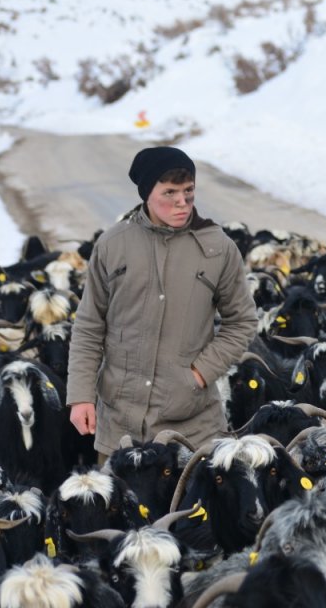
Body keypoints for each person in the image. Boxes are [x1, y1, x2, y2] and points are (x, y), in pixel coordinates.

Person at [67, 146, 257, 458]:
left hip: (193, 431)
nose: (182, 202)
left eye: (189, 191)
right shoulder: (113, 244)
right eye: (169, 192)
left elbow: (242, 321)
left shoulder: (218, 248)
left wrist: (198, 374)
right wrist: (80, 397)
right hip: (119, 430)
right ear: (146, 193)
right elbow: (89, 326)